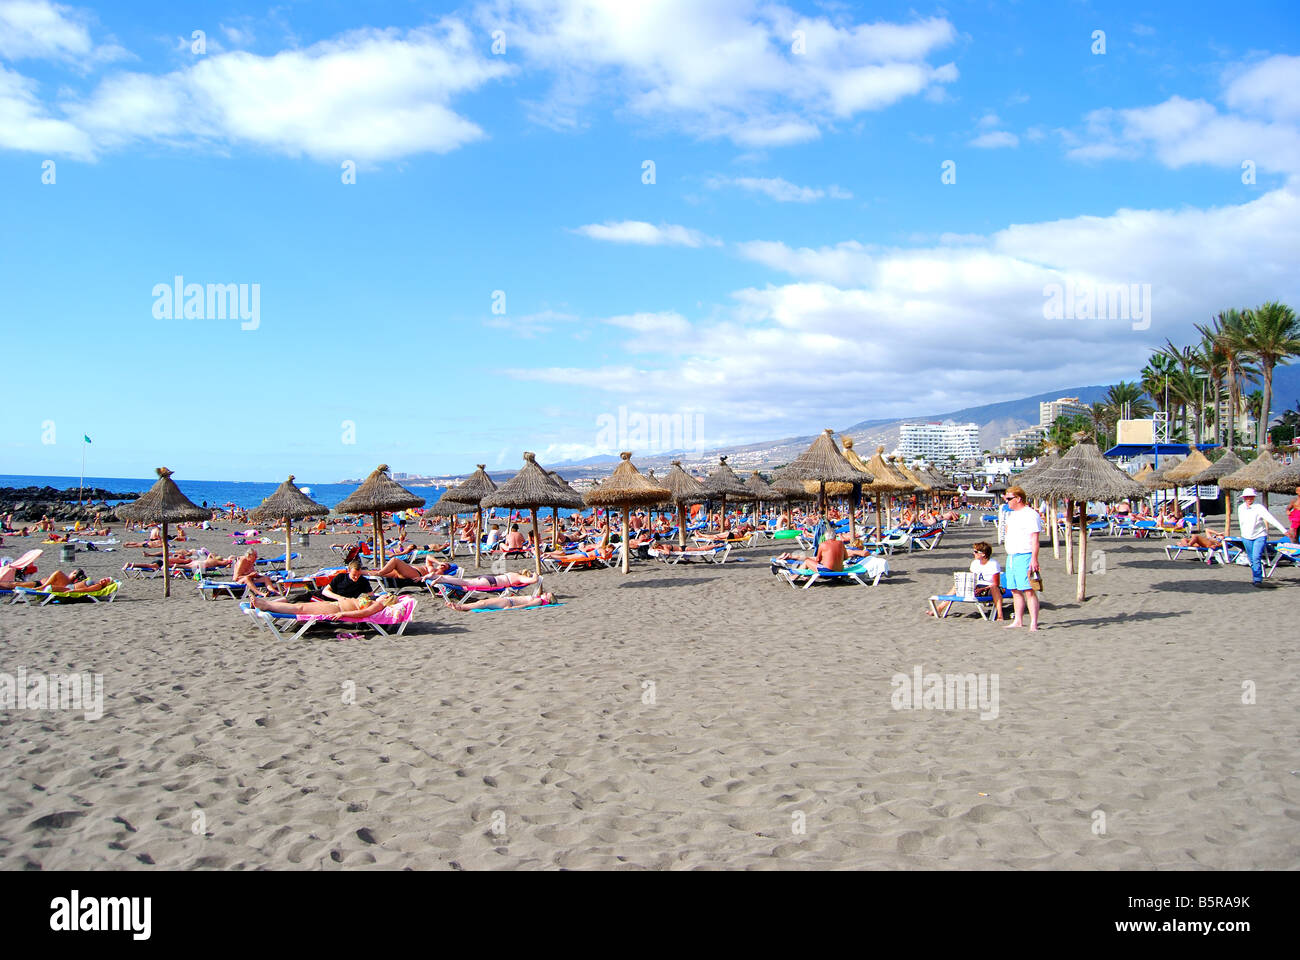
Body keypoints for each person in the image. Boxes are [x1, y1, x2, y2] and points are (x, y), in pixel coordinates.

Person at [1001, 485, 1042, 630]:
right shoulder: (1012, 515)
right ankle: (1018, 620)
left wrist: (1034, 559)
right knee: (1014, 590)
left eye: (1009, 499)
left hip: (1025, 555)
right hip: (1011, 555)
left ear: (1018, 499)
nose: (1007, 502)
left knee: (1029, 589)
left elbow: (1035, 539)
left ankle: (1033, 622)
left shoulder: (1030, 514)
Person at [928, 541, 1003, 618]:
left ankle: (1000, 616)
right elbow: (971, 578)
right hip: (977, 587)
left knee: (995, 588)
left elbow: (996, 583)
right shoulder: (975, 563)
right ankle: (939, 609)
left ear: (983, 554)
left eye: (976, 552)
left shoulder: (993, 564)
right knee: (956, 586)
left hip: (989, 587)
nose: (974, 553)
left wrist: (982, 589)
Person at [1236, 488, 1288, 587]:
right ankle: (1256, 576)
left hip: (1259, 535)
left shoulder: (1259, 507)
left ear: (1254, 497)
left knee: (1256, 557)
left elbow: (1271, 519)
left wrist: (1283, 530)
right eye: (1247, 497)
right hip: (1246, 537)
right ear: (1244, 498)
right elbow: (1242, 523)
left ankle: (1257, 579)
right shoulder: (1241, 508)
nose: (1249, 499)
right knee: (1251, 558)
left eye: (1251, 497)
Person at [252, 592, 399, 618]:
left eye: (388, 596)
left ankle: (266, 606)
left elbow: (362, 614)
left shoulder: (378, 606)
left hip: (337, 609)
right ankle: (267, 604)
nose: (385, 594)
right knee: (300, 605)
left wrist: (342, 614)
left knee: (300, 608)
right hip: (334, 604)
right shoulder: (375, 601)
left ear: (387, 601)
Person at [444, 588, 557, 611]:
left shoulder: (539, 601)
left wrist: (511, 608)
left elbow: (527, 606)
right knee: (482, 603)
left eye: (547, 594)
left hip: (509, 602)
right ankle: (462, 607)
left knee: (483, 603)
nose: (545, 593)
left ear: (547, 599)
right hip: (508, 600)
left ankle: (461, 607)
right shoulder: (538, 598)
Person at [780, 534, 847, 573]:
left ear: (826, 538)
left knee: (807, 561)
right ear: (835, 537)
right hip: (840, 570)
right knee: (810, 559)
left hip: (828, 571)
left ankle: (794, 576)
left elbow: (818, 560)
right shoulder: (841, 543)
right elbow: (846, 558)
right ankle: (791, 557)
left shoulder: (823, 544)